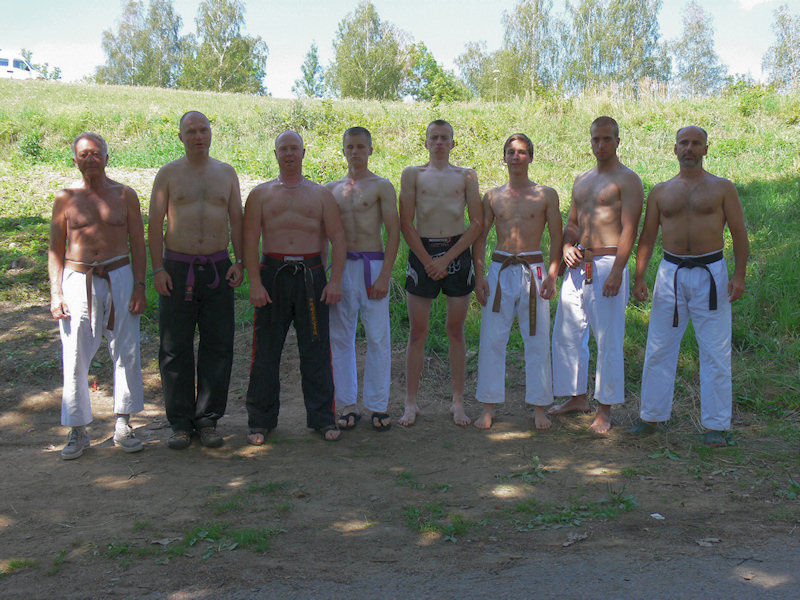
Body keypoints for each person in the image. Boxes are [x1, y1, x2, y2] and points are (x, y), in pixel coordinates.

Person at [629, 126, 748, 446]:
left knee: (715, 349)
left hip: (711, 272)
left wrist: (739, 275)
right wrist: (639, 276)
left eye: (696, 143)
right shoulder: (661, 191)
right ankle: (650, 417)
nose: (690, 148)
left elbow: (739, 233)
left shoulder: (722, 188)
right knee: (659, 346)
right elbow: (648, 237)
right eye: (684, 143)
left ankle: (716, 425)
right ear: (675, 149)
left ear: (706, 149)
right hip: (671, 273)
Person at [148, 111, 244, 450]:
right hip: (177, 269)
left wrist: (241, 261)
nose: (198, 136)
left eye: (203, 130)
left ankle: (208, 420)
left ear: (211, 133)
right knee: (175, 347)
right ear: (180, 136)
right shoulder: (169, 174)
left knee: (218, 345)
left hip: (218, 268)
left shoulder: (226, 173)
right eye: (191, 131)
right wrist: (157, 269)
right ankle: (179, 423)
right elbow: (155, 223)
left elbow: (237, 220)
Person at [48, 132, 147, 459]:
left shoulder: (124, 195)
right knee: (75, 351)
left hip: (120, 273)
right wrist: (56, 292)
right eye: (83, 154)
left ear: (107, 157)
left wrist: (139, 286)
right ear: (74, 160)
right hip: (78, 277)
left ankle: (123, 422)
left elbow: (138, 243)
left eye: (95, 153)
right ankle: (77, 428)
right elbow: (55, 249)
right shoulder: (65, 198)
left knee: (127, 348)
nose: (90, 159)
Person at [243, 131, 346, 443]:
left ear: (304, 152)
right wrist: (255, 283)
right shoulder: (260, 194)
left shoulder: (321, 195)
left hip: (310, 275)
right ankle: (260, 421)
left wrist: (335, 281)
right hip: (272, 274)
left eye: (294, 148)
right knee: (265, 351)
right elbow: (249, 241)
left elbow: (339, 239)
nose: (289, 154)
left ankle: (323, 418)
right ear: (275, 154)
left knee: (316, 350)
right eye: (283, 149)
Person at [549, 116, 643, 434]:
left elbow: (630, 228)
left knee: (608, 337)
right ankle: (576, 397)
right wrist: (566, 246)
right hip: (578, 263)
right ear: (590, 141)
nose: (600, 145)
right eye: (595, 139)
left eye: (606, 139)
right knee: (567, 332)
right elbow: (573, 223)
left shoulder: (627, 179)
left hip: (607, 261)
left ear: (618, 141)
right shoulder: (582, 179)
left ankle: (605, 408)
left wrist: (618, 269)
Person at [473, 134, 563, 430]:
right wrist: (479, 276)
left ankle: (539, 407)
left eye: (522, 152)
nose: (516, 157)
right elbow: (480, 237)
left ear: (531, 157)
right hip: (500, 269)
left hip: (533, 270)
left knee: (537, 339)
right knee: (492, 339)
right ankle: (488, 407)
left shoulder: (546, 195)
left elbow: (557, 237)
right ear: (504, 157)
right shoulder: (492, 196)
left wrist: (552, 274)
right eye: (511, 152)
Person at [399, 120, 483, 426]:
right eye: (433, 137)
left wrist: (446, 258)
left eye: (444, 138)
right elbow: (406, 222)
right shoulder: (412, 174)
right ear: (425, 143)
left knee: (455, 330)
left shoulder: (466, 175)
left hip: (456, 253)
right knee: (417, 331)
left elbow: (477, 222)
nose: (438, 142)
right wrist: (428, 261)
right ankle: (410, 403)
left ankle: (457, 402)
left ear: (452, 143)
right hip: (422, 251)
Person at [325, 127, 400, 432]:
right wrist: (329, 276)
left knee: (378, 337)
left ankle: (378, 405)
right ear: (343, 150)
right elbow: (324, 235)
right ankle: (347, 405)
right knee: (341, 337)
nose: (355, 152)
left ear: (370, 149)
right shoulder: (331, 189)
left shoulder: (382, 186)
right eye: (350, 146)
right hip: (342, 267)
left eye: (360, 146)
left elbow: (394, 232)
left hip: (373, 264)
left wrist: (385, 275)